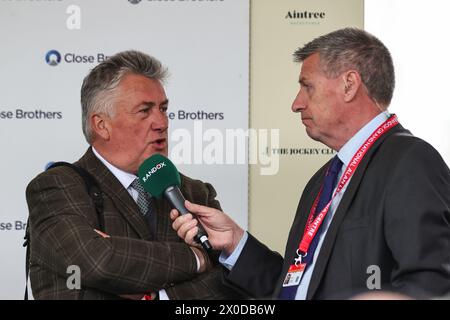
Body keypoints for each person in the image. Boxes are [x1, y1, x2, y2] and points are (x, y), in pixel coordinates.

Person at [171, 28, 450, 300]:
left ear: (349, 84)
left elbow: (432, 284)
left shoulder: (409, 161)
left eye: (307, 86)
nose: (296, 103)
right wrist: (235, 241)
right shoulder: (323, 180)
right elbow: (292, 287)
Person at [25, 50, 243, 300]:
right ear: (101, 125)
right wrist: (198, 258)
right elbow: (98, 263)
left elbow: (225, 288)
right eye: (144, 111)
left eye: (163, 109)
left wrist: (150, 295)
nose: (161, 122)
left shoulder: (194, 192)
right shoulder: (56, 187)